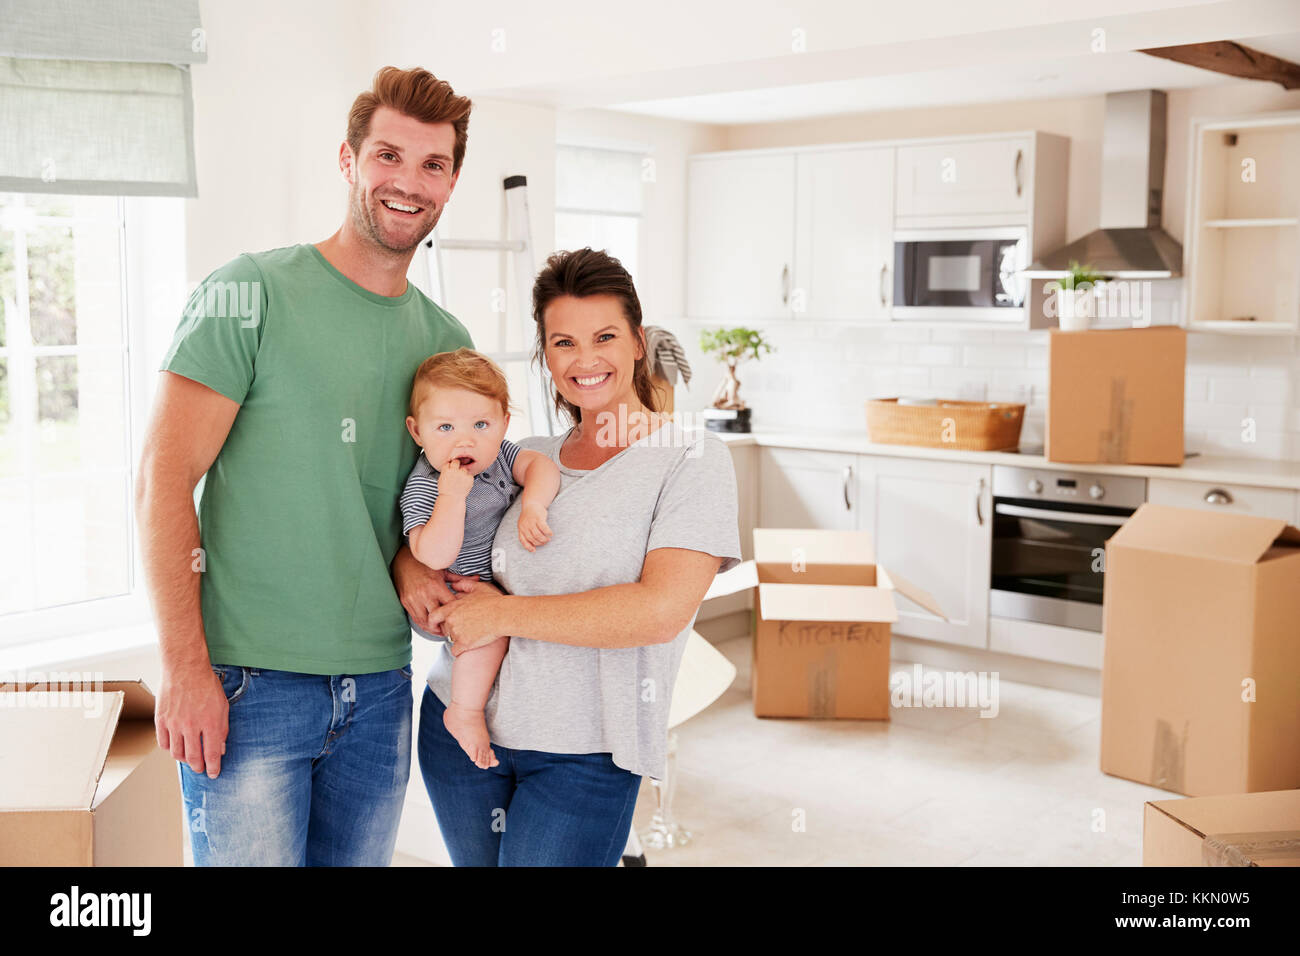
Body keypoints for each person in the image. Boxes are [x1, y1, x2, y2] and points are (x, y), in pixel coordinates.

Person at [135, 66, 474, 866]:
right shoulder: (247, 294)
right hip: (250, 687)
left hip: (381, 685)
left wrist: (411, 567)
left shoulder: (446, 341)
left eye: (432, 165)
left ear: (452, 182)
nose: (407, 182)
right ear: (350, 160)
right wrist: (184, 669)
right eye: (388, 155)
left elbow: (410, 503)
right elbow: (161, 481)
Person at [416, 247, 742, 867]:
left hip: (586, 754)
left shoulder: (692, 461)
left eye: (605, 337)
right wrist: (415, 572)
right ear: (545, 354)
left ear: (639, 341)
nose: (585, 360)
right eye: (563, 342)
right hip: (459, 732)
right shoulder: (517, 455)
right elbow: (439, 539)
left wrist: (501, 615)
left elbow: (658, 612)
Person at [399, 348, 561, 769]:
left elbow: (542, 466)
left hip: (492, 586)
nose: (464, 439)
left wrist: (534, 507)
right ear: (418, 432)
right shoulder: (427, 486)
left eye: (481, 424)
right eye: (446, 427)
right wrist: (452, 497)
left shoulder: (501, 457)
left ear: (504, 424)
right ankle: (464, 711)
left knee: (507, 626)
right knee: (491, 635)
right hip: (453, 592)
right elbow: (432, 554)